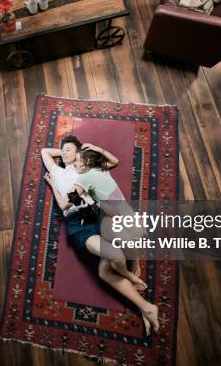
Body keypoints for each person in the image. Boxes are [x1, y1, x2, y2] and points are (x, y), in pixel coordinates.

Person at [41, 139, 159, 335]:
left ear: (80, 155)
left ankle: (145, 306)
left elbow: (109, 164)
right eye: (61, 150)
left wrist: (77, 152)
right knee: (112, 258)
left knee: (119, 251)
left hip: (98, 215)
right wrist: (55, 181)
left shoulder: (86, 170)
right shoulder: (57, 171)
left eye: (68, 149)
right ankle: (140, 296)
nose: (63, 152)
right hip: (80, 225)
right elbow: (45, 152)